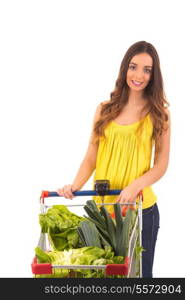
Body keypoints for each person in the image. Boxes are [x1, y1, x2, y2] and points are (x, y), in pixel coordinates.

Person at [57, 41, 171, 278]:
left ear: (154, 75)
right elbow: (91, 157)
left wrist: (134, 186)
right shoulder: (104, 109)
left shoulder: (159, 113)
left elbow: (161, 166)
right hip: (102, 211)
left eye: (147, 69)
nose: (138, 75)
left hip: (140, 211)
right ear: (124, 69)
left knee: (139, 280)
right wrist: (74, 186)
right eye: (133, 66)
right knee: (105, 279)